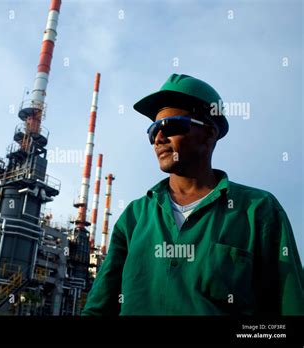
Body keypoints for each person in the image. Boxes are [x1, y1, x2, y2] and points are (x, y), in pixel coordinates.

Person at [82, 74, 304, 315]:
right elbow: (98, 310)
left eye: (171, 126)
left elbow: (289, 307)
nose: (158, 138)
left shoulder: (258, 210)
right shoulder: (134, 217)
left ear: (209, 134)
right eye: (153, 130)